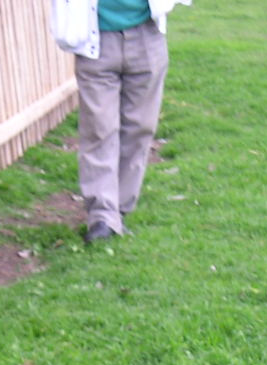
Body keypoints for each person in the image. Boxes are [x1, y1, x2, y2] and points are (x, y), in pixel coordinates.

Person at [50, 0, 192, 244]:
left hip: (147, 33)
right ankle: (102, 216)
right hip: (95, 38)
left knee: (140, 127)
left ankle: (120, 208)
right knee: (99, 129)